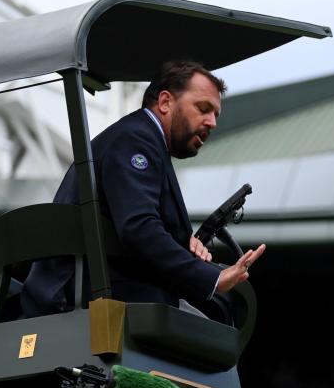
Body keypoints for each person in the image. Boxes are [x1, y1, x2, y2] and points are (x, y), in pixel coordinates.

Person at [22, 60, 264, 317]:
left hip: (100, 292)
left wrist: (182, 242)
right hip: (100, 298)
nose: (212, 122)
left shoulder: (141, 140)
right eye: (203, 108)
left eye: (215, 114)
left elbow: (130, 221)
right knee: (223, 323)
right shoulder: (136, 139)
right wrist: (213, 278)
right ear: (165, 102)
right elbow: (138, 227)